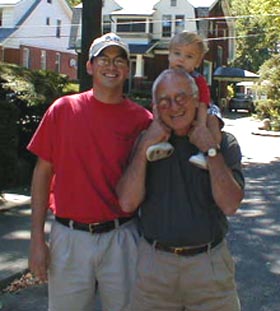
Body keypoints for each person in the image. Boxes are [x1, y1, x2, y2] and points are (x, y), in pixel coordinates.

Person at [27, 32, 152, 311]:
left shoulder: (143, 121)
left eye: (119, 60)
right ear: (90, 66)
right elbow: (42, 173)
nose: (112, 66)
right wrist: (37, 239)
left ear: (128, 69)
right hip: (69, 237)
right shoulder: (63, 110)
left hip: (122, 237)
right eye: (104, 59)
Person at [116, 68, 245, 311]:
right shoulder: (146, 141)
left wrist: (210, 149)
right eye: (164, 101)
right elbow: (127, 203)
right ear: (155, 108)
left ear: (197, 101)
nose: (173, 107)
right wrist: (145, 144)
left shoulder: (223, 142)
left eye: (180, 98)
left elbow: (230, 204)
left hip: (209, 268)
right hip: (155, 268)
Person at [146, 31, 223, 170]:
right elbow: (156, 103)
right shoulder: (164, 79)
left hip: (201, 111)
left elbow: (203, 103)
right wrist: (158, 123)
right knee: (156, 126)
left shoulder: (198, 80)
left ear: (198, 62)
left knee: (212, 120)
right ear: (169, 55)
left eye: (189, 56)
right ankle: (160, 144)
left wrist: (200, 125)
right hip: (173, 112)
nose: (181, 59)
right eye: (177, 53)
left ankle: (208, 151)